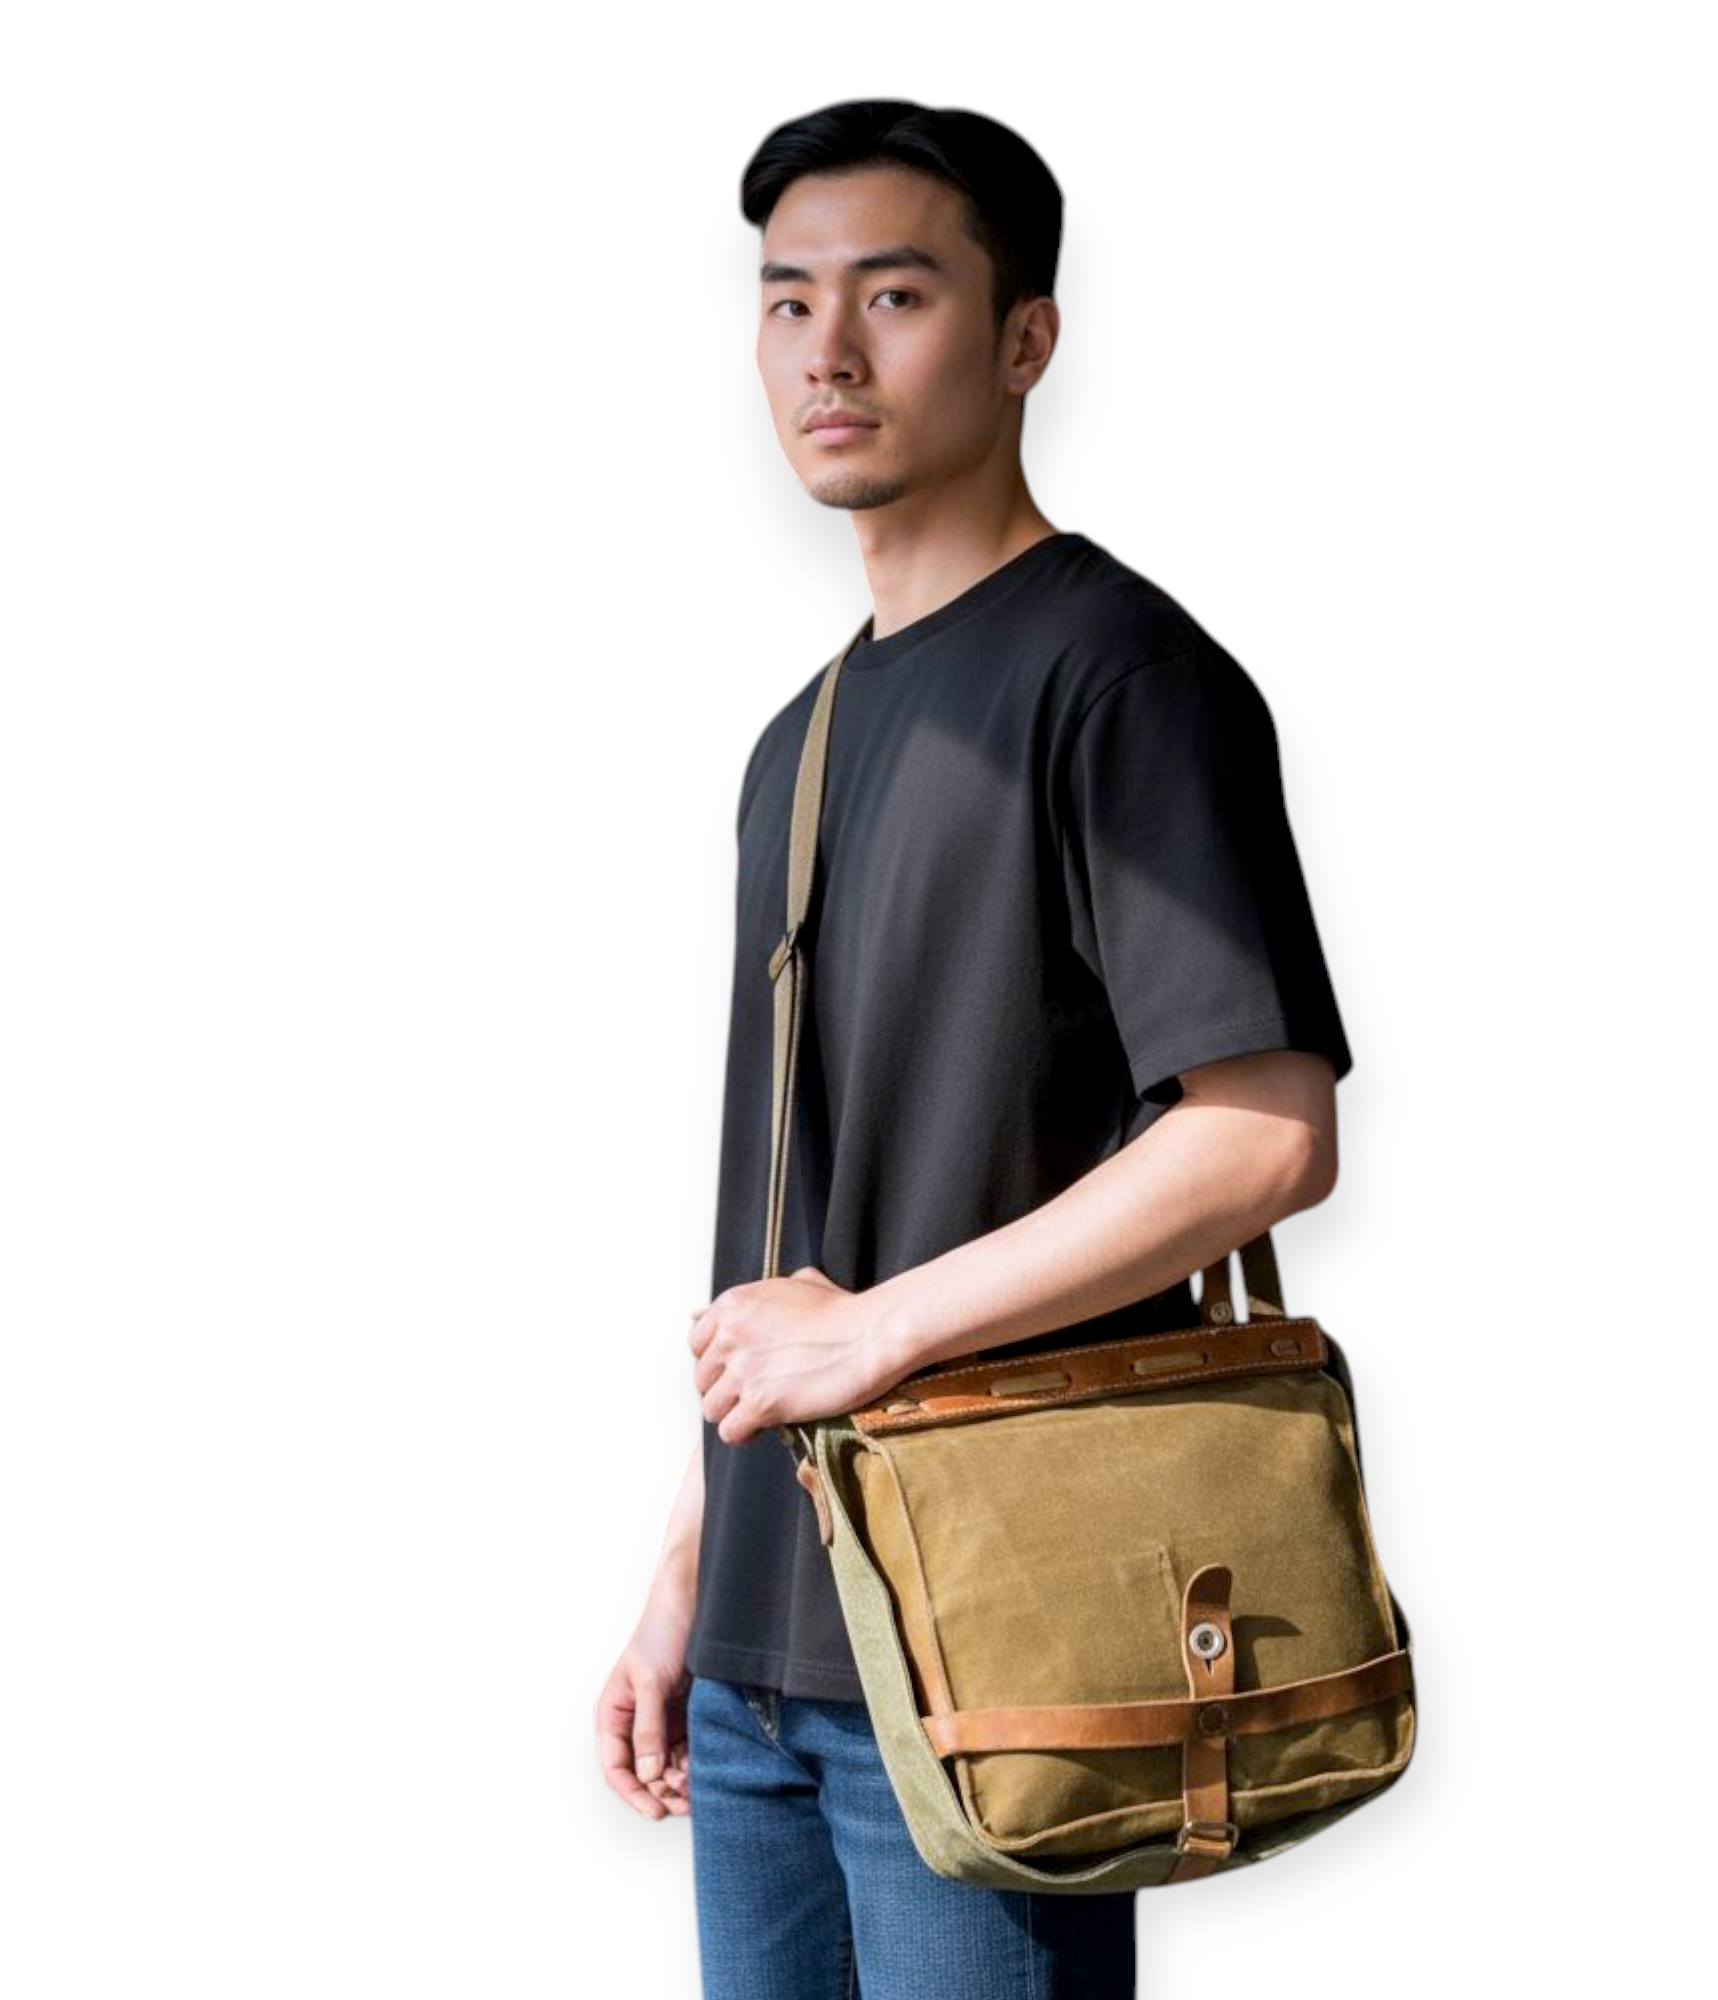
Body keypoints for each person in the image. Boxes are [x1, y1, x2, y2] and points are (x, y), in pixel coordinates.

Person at [595, 99, 1355, 1999]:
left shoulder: (1123, 680)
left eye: (896, 294)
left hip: (990, 1648)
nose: (827, 354)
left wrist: (874, 1335)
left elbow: (1263, 1132)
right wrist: (687, 1569)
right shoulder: (798, 740)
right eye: (787, 302)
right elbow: (799, 1221)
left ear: (1028, 337)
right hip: (763, 1668)